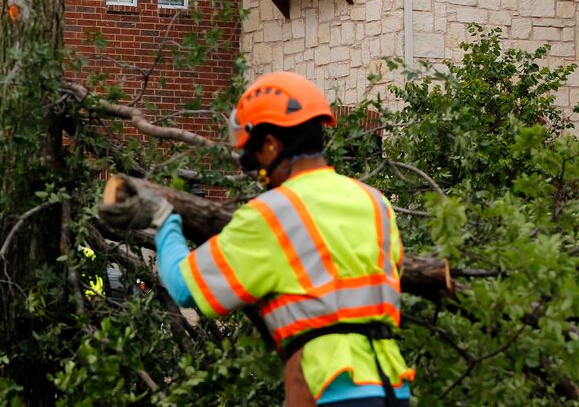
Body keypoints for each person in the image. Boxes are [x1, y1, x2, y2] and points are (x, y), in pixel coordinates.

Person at [99, 72, 413, 405]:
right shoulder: (375, 202)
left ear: (271, 145)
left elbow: (184, 287)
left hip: (331, 390)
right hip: (393, 387)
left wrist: (164, 222)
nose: (257, 173)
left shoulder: (274, 211)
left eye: (253, 158)